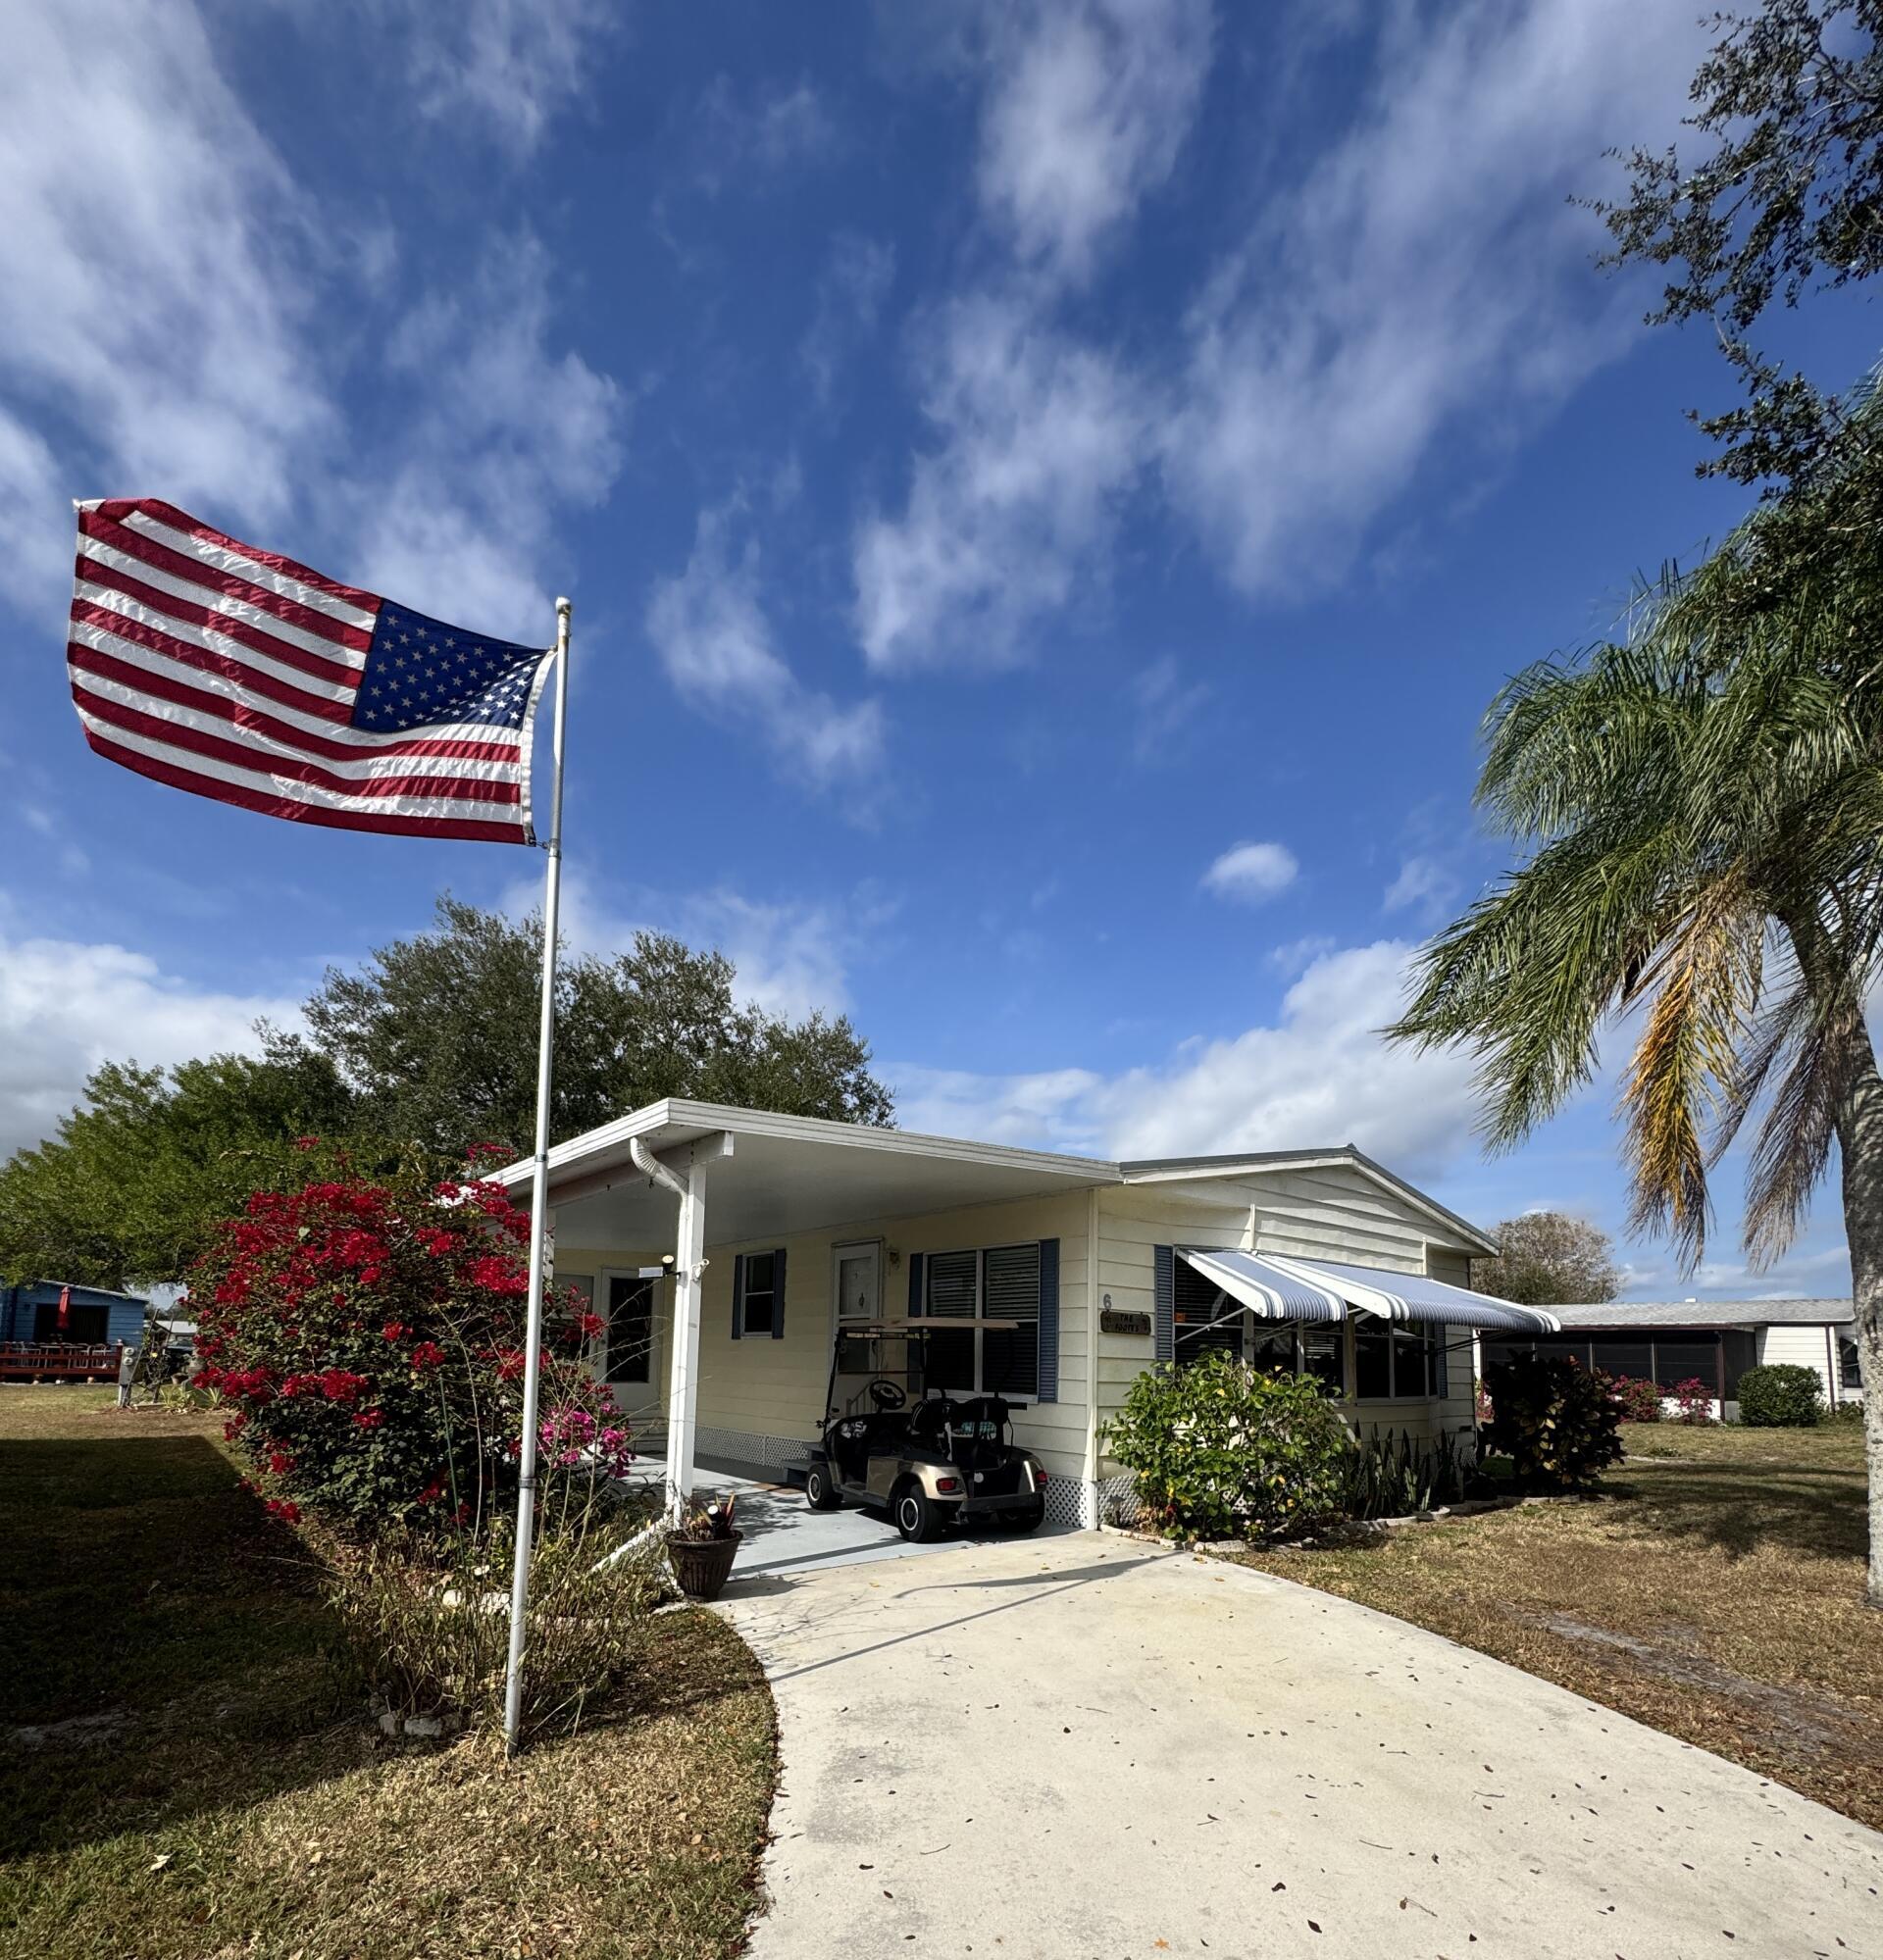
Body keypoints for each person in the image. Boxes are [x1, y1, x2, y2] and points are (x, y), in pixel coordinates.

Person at [116, 1340, 137, 1410]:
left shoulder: (130, 1356)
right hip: (125, 1371)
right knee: (123, 1382)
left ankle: (125, 1402)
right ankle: (122, 1402)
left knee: (127, 1382)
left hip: (129, 1372)